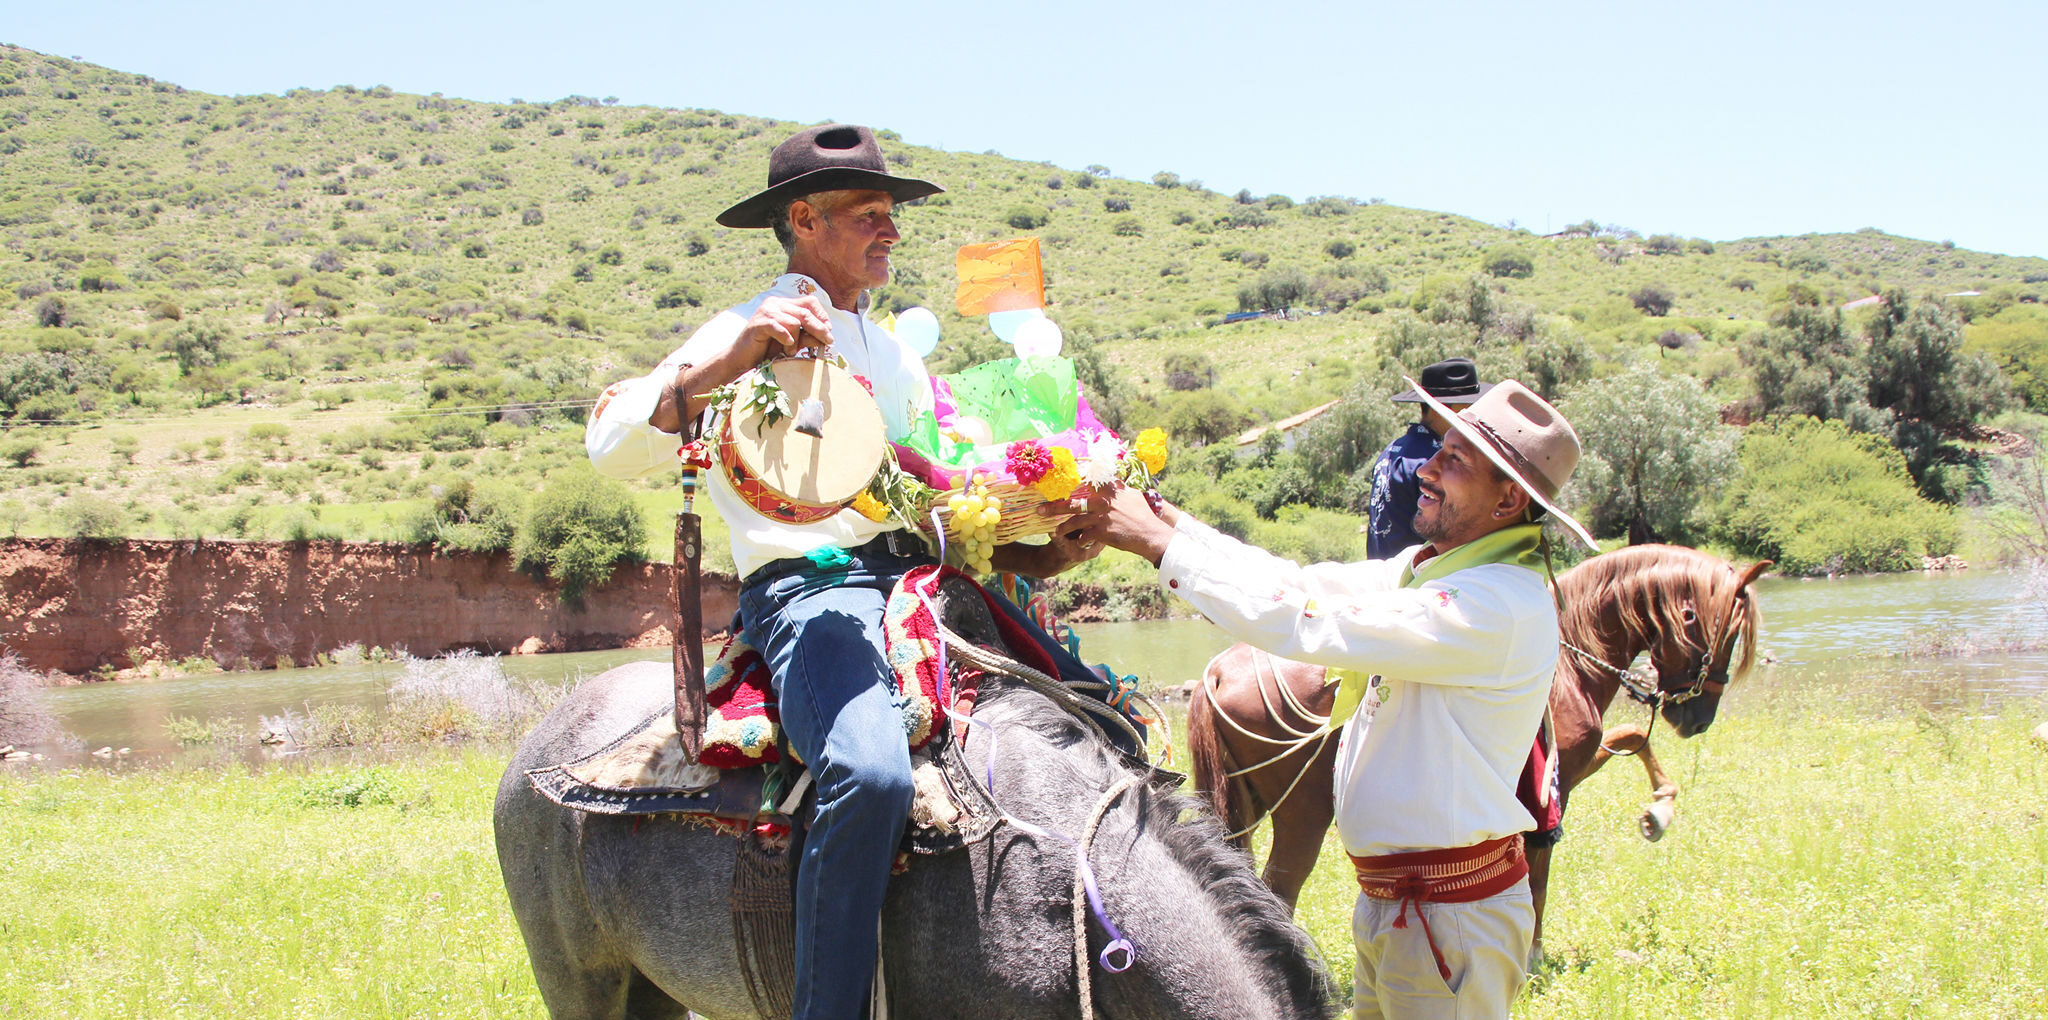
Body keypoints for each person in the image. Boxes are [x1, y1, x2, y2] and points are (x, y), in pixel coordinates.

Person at [586, 124, 1107, 1020]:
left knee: (1104, 719)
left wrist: (1032, 530)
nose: (892, 232)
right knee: (870, 774)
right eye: (871, 215)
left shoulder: (897, 353)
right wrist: (738, 352)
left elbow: (921, 486)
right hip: (810, 590)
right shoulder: (737, 330)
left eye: (891, 216)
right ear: (803, 221)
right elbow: (614, 446)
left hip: (920, 581)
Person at [1078, 379, 1594, 1020]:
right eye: (1441, 448)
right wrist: (1169, 521)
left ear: (1508, 499)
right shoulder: (1429, 569)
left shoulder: (1494, 605)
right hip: (1406, 903)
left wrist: (1158, 546)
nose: (1427, 469)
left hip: (1446, 917)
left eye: (1454, 460)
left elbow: (1309, 619)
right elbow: (1296, 582)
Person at [1365, 358, 1491, 559]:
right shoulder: (1436, 462)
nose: (1472, 414)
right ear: (1444, 409)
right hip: (1418, 579)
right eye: (1467, 406)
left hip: (1386, 575)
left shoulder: (1393, 450)